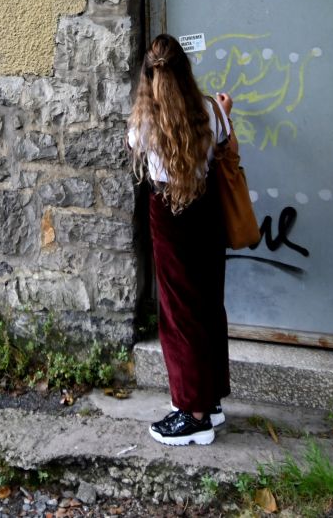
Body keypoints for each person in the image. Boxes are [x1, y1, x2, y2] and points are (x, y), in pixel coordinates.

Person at [127, 33, 233, 446]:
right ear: (185, 70)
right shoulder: (209, 110)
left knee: (178, 313)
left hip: (169, 213)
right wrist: (223, 108)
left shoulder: (143, 122)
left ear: (148, 75)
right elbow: (223, 139)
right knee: (207, 305)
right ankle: (210, 401)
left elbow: (133, 145)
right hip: (207, 210)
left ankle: (194, 415)